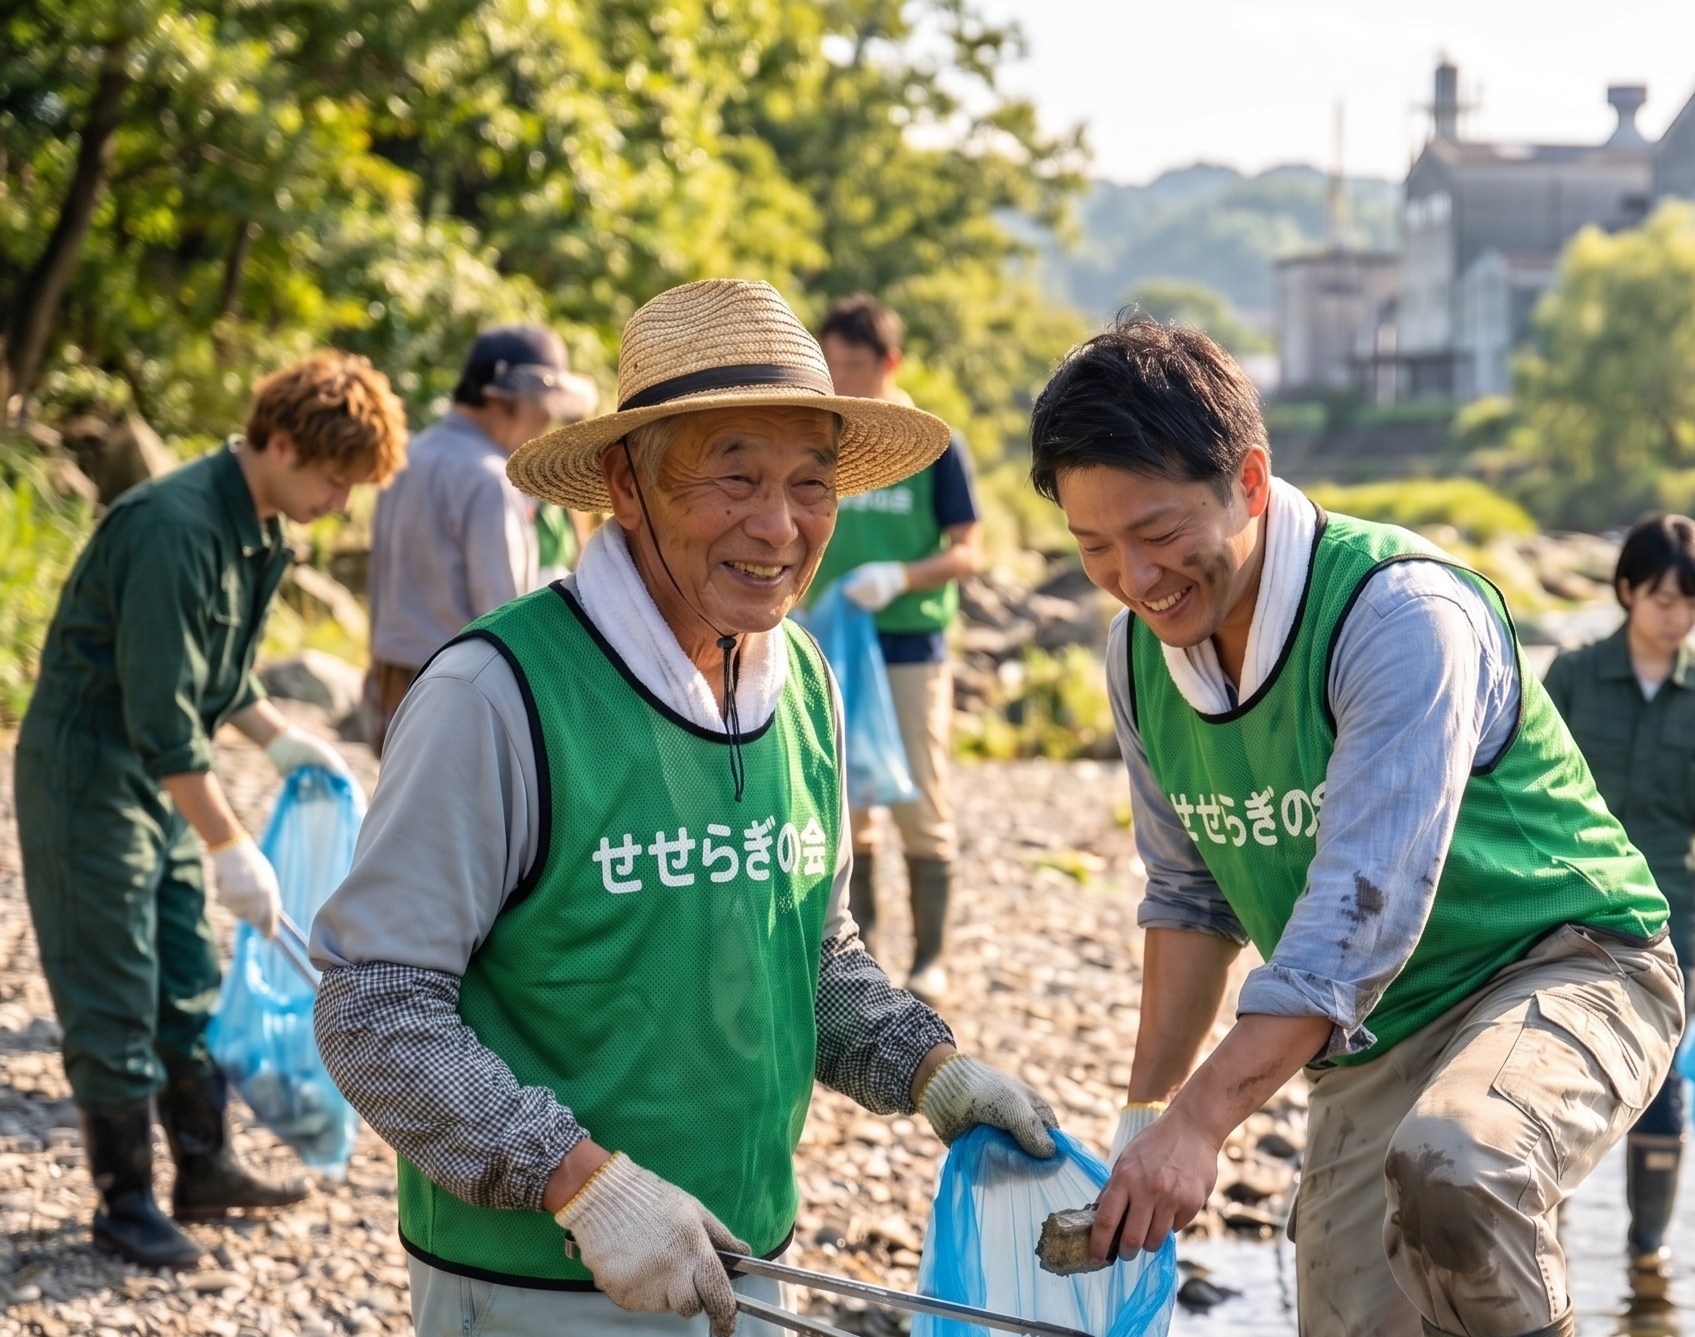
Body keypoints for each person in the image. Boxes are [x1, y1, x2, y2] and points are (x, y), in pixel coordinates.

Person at [309, 281, 1059, 1337]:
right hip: (540, 1290)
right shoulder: (496, 694)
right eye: (734, 476)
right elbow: (373, 1007)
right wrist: (579, 1182)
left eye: (811, 482)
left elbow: (811, 956)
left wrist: (931, 1070)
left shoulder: (804, 678)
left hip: (753, 1263)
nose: (780, 523)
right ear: (625, 480)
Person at [1044, 318, 1680, 1337]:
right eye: (1093, 546)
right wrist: (1147, 1125)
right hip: (1365, 1035)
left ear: (1249, 481)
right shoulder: (1136, 657)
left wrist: (1208, 1120)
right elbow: (1189, 898)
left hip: (1561, 963)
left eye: (1158, 534)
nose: (1134, 576)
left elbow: (1356, 913)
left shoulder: (1397, 615)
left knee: (1457, 1164)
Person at [13, 351, 408, 1267]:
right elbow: (161, 713)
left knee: (185, 968)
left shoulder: (261, 526)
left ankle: (204, 1161)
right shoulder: (174, 527)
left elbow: (216, 675)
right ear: (277, 442)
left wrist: (277, 736)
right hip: (90, 770)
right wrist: (231, 840)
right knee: (112, 981)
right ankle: (124, 1199)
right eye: (334, 480)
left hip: (159, 772)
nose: (340, 504)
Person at [1542, 513, 1695, 1280]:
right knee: (1553, 1062)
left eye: (1692, 603)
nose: (1676, 617)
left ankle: (1646, 1255)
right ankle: (1542, 1231)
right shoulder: (1574, 677)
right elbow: (1519, 779)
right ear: (1625, 591)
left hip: (1666, 910)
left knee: (1659, 1071)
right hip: (1561, 904)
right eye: (1661, 600)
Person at [803, 296, 983, 1004]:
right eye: (830, 366)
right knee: (842, 804)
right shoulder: (819, 436)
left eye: (853, 366)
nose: (841, 380)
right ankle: (862, 962)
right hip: (824, 644)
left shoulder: (931, 442)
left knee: (919, 800)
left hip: (907, 643)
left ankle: (931, 957)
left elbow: (969, 549)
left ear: (889, 363)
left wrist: (902, 576)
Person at [364, 324, 596, 752]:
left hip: (391, 670)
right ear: (501, 398)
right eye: (542, 407)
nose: (547, 422)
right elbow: (505, 608)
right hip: (461, 683)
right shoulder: (490, 479)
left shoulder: (408, 456)